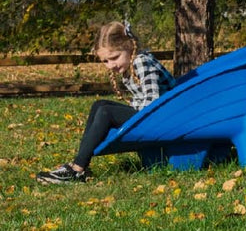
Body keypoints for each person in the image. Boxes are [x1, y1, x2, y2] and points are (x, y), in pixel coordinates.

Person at [35, 22, 174, 183]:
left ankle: (77, 169)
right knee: (99, 105)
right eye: (105, 61)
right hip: (156, 115)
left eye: (114, 58)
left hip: (165, 117)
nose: (111, 65)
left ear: (130, 47)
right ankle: (80, 165)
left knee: (106, 112)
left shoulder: (141, 62)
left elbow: (153, 104)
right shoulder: (130, 64)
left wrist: (124, 112)